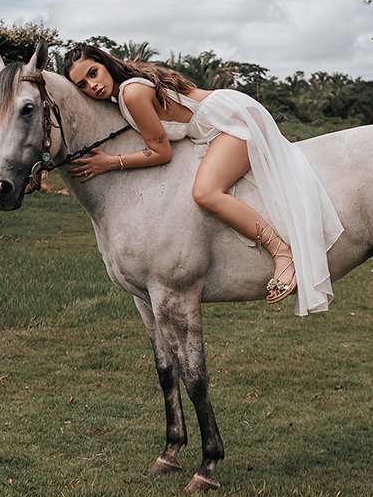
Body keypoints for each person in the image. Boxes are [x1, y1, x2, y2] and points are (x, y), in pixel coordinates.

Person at [63, 43, 343, 315]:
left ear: (105, 62)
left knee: (206, 192)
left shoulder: (131, 93)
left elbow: (161, 152)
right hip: (219, 120)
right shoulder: (125, 91)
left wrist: (111, 162)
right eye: (83, 86)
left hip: (230, 122)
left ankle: (282, 251)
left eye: (93, 73)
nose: (92, 86)